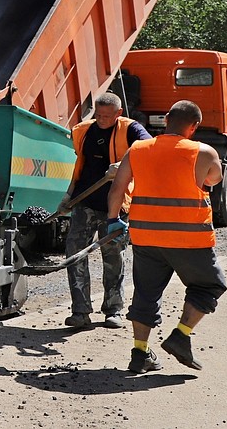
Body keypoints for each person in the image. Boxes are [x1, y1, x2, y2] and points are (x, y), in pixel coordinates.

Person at [107, 99, 226, 374]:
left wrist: (113, 221)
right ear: (194, 126)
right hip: (190, 240)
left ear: (166, 118)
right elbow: (212, 180)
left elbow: (117, 189)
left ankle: (139, 353)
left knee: (146, 293)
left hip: (145, 237)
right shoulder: (204, 152)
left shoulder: (137, 149)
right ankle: (181, 336)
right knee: (210, 286)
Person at [62, 92, 151, 330]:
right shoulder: (84, 131)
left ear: (118, 114)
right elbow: (80, 165)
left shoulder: (131, 129)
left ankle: (114, 310)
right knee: (75, 254)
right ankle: (80, 311)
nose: (101, 119)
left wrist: (124, 166)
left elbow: (150, 150)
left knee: (113, 257)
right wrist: (68, 196)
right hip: (85, 202)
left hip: (115, 206)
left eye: (106, 116)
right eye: (98, 115)